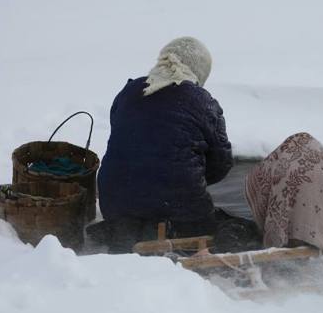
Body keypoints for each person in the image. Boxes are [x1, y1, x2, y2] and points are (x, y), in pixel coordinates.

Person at [92, 37, 233, 252]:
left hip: (116, 208)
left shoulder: (128, 92)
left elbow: (123, 140)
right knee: (231, 229)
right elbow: (221, 163)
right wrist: (187, 174)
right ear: (199, 70)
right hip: (182, 215)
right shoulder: (202, 101)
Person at [245, 132, 323, 253]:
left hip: (288, 226)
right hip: (320, 228)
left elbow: (258, 182)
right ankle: (319, 242)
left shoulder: (278, 160)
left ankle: (289, 239)